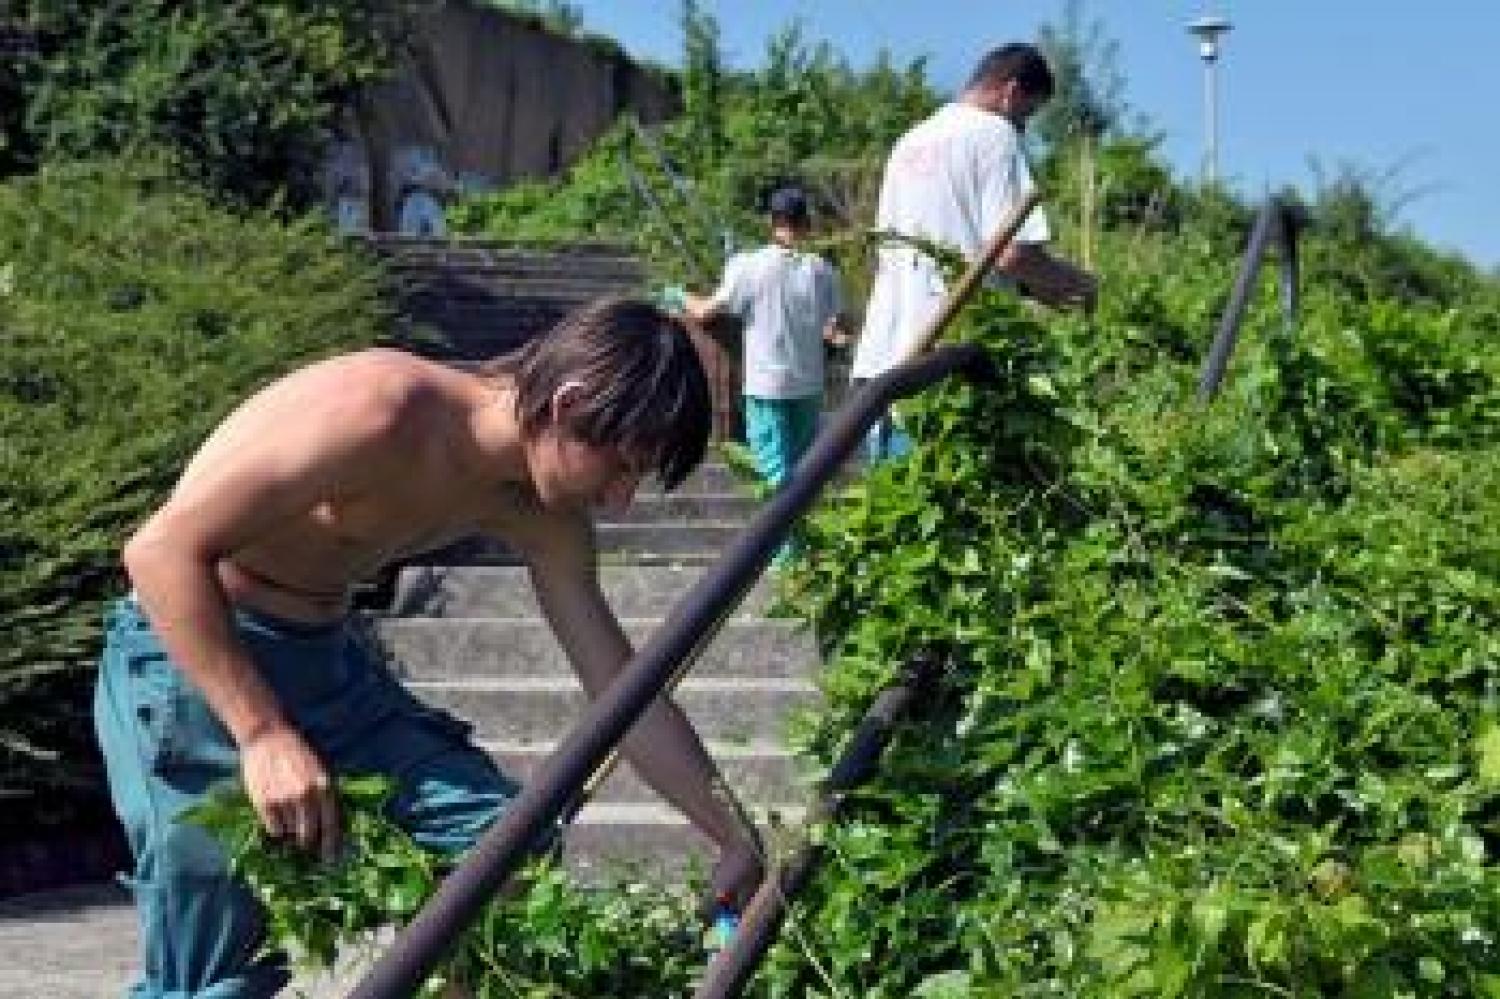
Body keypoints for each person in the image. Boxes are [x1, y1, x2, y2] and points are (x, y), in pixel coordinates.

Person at [94, 297, 764, 998]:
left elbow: (623, 692)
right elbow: (160, 550)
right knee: (212, 979)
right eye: (622, 465)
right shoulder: (382, 410)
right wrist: (262, 732)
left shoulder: (539, 513)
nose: (620, 499)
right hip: (195, 654)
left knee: (502, 853)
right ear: (568, 404)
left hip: (327, 662)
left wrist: (732, 831)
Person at [853, 42, 1098, 459]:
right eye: (1028, 113)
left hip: (886, 359)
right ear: (1010, 92)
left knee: (892, 510)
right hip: (948, 367)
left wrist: (1028, 289)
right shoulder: (994, 134)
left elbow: (930, 249)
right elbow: (1010, 253)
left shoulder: (911, 140)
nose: (1025, 128)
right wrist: (1079, 282)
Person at [682, 186, 846, 502]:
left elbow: (704, 312)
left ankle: (786, 551)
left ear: (772, 222)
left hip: (766, 386)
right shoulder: (823, 271)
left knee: (774, 477)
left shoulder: (749, 266)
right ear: (806, 223)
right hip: (809, 386)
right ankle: (796, 545)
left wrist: (677, 294)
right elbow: (834, 325)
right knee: (802, 474)